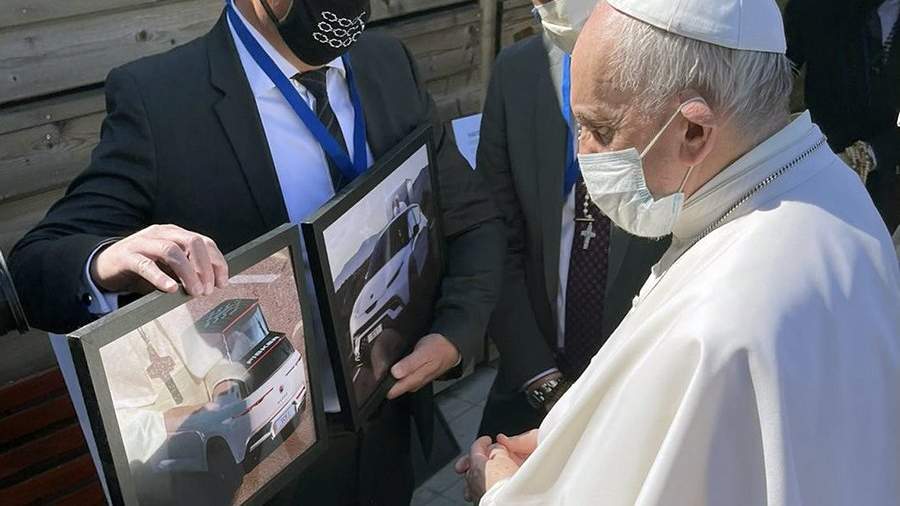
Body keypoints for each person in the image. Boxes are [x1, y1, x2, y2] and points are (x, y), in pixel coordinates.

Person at [8, 0, 505, 504]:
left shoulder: (388, 63)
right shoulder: (159, 99)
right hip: (275, 462)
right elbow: (34, 266)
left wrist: (455, 333)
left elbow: (471, 216)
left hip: (389, 431)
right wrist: (106, 261)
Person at [458, 0, 900, 503]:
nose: (583, 155)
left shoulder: (721, 322)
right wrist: (575, 446)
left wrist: (505, 491)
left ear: (694, 130)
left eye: (601, 130)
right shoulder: (828, 190)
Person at [477, 33, 667, 437]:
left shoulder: (676, 65)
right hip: (531, 384)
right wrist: (542, 380)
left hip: (641, 401)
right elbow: (493, 238)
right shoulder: (518, 70)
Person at [785, 0, 900, 234]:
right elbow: (773, 76)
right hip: (811, 164)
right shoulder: (813, 7)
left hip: (882, 183)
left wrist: (868, 154)